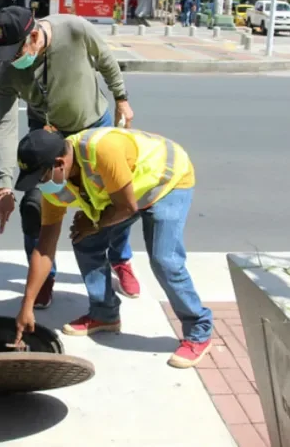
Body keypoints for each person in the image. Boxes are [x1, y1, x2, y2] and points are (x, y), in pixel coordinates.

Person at [11, 126, 215, 369]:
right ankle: (104, 313)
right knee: (84, 241)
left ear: (59, 163)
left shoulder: (103, 151)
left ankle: (199, 330)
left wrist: (94, 222)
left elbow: (126, 208)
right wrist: (27, 305)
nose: (41, 185)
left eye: (41, 178)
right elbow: (45, 249)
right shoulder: (55, 187)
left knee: (164, 260)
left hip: (166, 182)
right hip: (125, 194)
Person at [0, 6, 140, 311]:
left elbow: (106, 61)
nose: (12, 62)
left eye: (16, 53)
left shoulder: (73, 29)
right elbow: (6, 126)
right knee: (34, 207)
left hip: (93, 126)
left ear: (33, 36)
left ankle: (120, 259)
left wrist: (122, 99)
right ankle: (44, 276)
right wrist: (4, 185)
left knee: (112, 201)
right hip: (46, 137)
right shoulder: (8, 73)